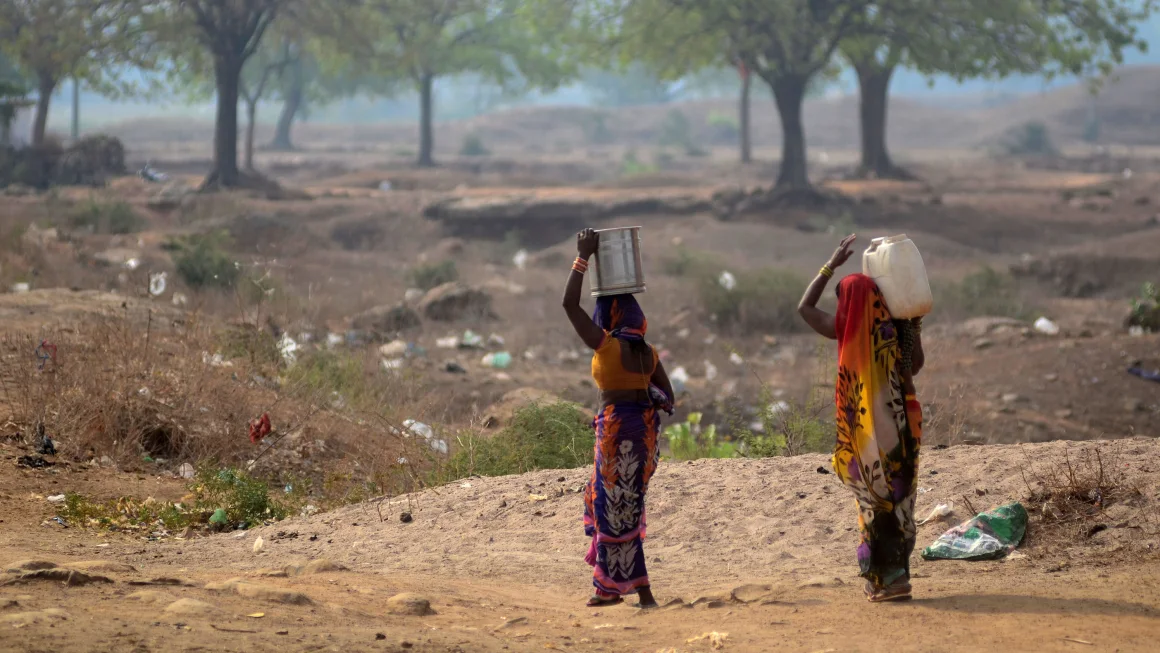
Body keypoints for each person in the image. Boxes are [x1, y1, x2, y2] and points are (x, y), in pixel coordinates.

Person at [797, 234, 925, 603]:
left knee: (873, 503)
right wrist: (912, 322)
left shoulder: (845, 329)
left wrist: (829, 267)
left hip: (865, 436)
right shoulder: (897, 328)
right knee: (899, 499)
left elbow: (805, 308)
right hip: (901, 428)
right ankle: (899, 577)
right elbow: (914, 366)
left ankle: (884, 582)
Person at [563, 228, 674, 609]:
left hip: (615, 433)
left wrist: (582, 258)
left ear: (609, 314)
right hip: (643, 434)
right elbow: (668, 397)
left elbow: (568, 305)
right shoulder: (648, 351)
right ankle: (622, 589)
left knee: (614, 510)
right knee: (622, 504)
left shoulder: (607, 345)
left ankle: (624, 590)